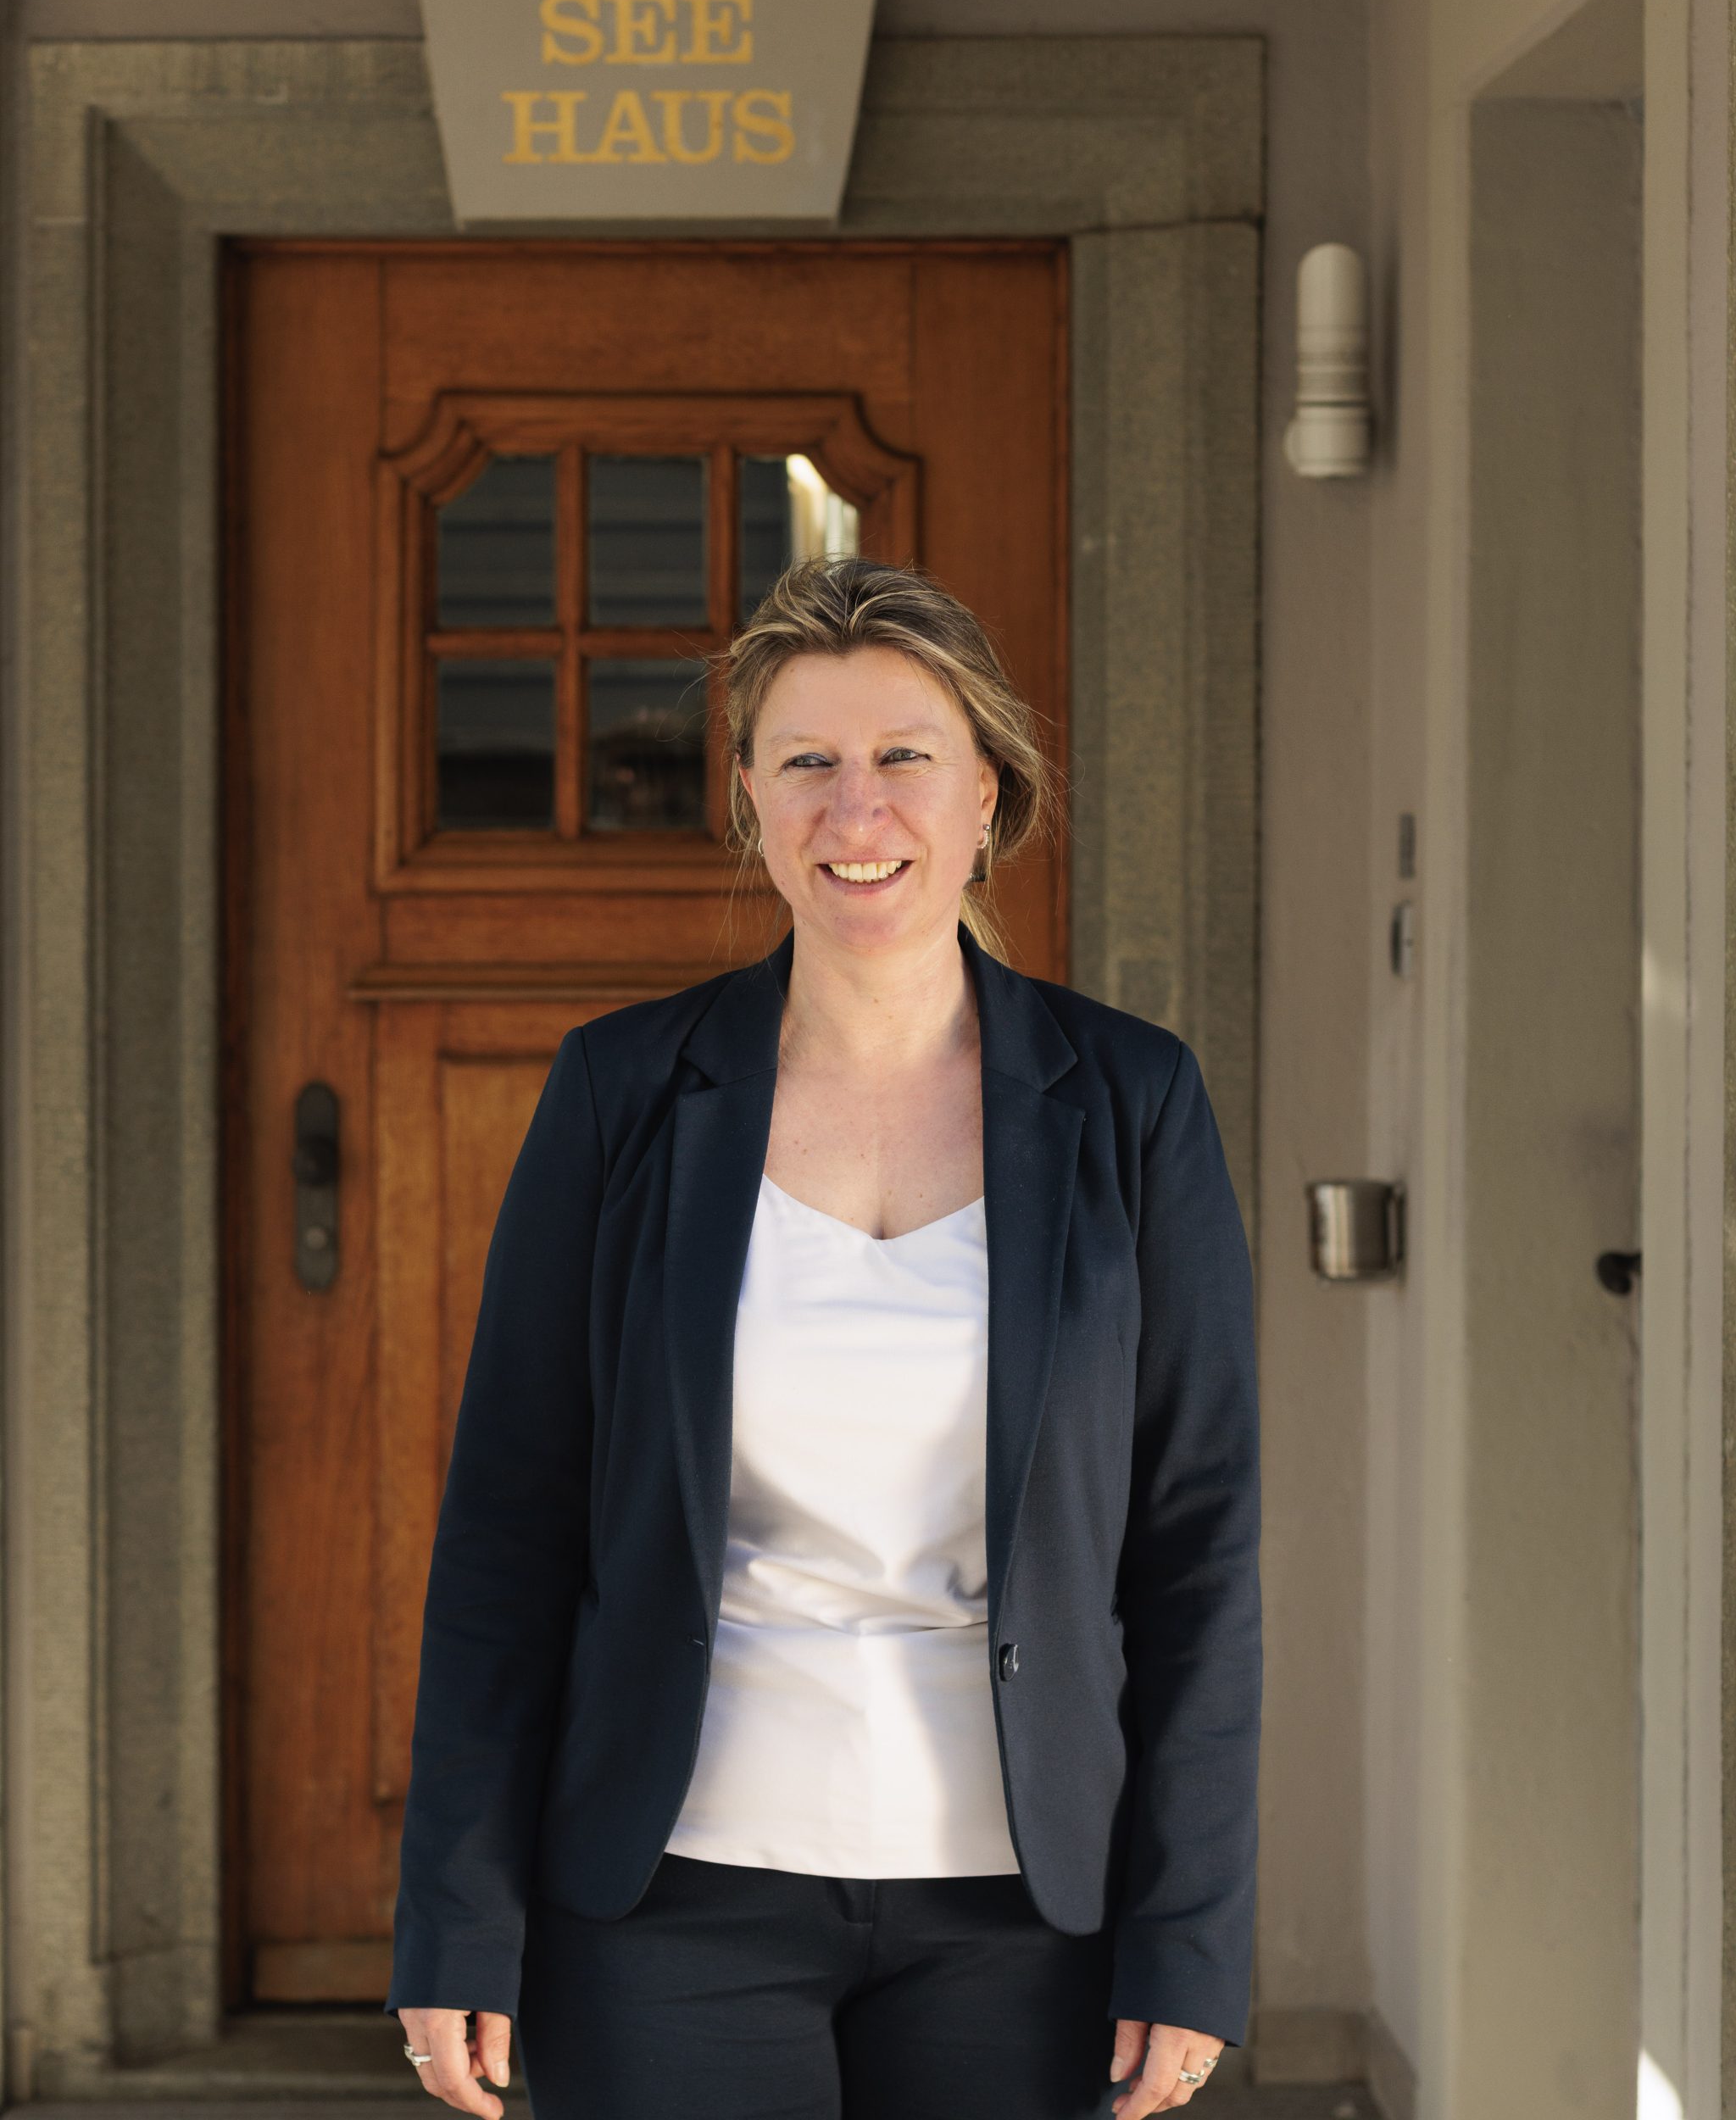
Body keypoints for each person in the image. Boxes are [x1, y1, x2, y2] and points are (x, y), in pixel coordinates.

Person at [386, 557, 1262, 2120]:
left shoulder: (1133, 1104)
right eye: (808, 764)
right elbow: (509, 1529)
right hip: (671, 1896)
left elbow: (1199, 1551)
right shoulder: (620, 1091)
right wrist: (457, 1916)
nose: (858, 813)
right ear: (748, 802)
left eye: (905, 759)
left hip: (1025, 1912)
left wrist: (1188, 1935)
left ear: (987, 793)